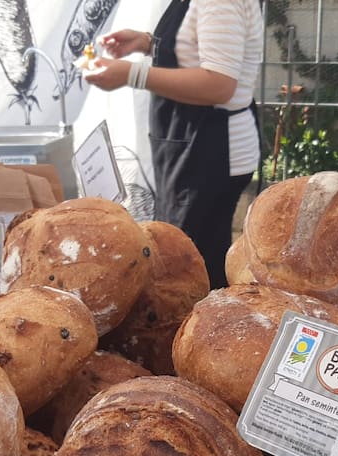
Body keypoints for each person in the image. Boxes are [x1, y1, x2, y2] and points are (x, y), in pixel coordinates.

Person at [83, 0, 263, 289]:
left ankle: (203, 328)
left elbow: (219, 84)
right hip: (191, 144)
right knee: (188, 255)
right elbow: (200, 48)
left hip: (211, 150)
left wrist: (131, 74)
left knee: (189, 264)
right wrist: (146, 43)